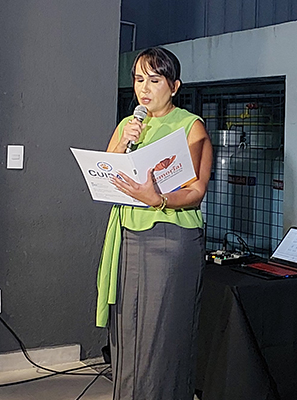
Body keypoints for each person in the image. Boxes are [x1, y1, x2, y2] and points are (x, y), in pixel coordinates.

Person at [95, 46, 213, 400]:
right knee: (127, 329)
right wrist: (124, 141)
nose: (144, 89)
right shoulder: (127, 125)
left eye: (154, 80)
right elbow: (105, 173)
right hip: (127, 235)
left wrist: (157, 198)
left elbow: (196, 191)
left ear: (174, 86)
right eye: (138, 79)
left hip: (170, 238)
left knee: (161, 334)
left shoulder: (190, 125)